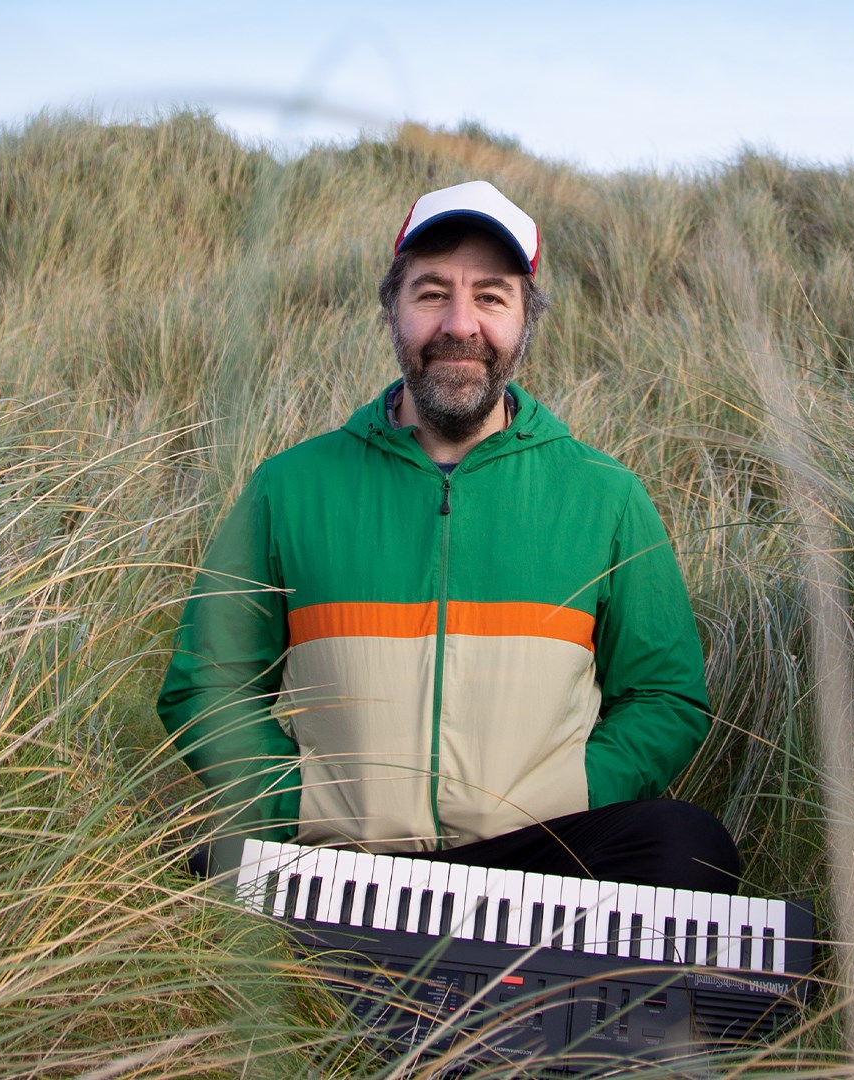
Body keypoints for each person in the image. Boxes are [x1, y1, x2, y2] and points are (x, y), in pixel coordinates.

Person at [156, 180, 739, 893]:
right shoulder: (288, 487)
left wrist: (579, 792)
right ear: (392, 312)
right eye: (432, 293)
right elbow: (207, 683)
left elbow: (663, 696)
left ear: (526, 321)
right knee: (201, 872)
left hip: (534, 858)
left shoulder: (606, 496)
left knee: (690, 847)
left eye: (491, 297)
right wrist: (289, 806)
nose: (460, 324)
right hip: (340, 859)